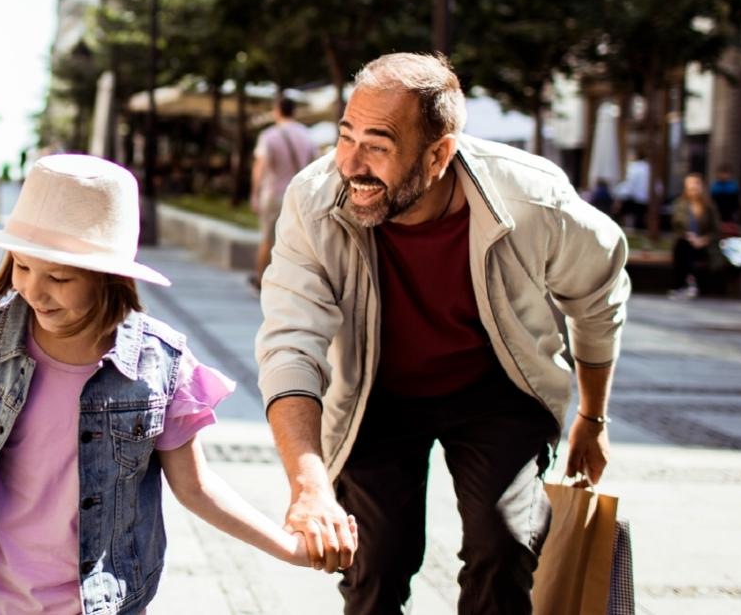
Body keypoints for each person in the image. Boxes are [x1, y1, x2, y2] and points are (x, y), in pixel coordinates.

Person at [255, 53, 630, 613]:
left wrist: (592, 417)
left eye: (377, 145)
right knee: (375, 563)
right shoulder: (315, 201)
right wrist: (308, 483)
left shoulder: (533, 200)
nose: (349, 163)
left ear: (439, 154)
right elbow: (290, 341)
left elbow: (599, 295)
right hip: (375, 393)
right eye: (345, 136)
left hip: (498, 390)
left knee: (503, 547)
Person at [0, 154, 319, 614]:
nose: (33, 290)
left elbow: (197, 488)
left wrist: (287, 547)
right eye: (22, 267)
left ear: (109, 277)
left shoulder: (158, 367)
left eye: (59, 277)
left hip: (99, 603)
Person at [251, 96, 320, 290]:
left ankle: (260, 280)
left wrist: (254, 194)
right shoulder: (307, 135)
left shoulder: (269, 135)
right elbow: (315, 166)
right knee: (296, 242)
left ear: (277, 111)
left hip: (273, 194)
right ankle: (290, 283)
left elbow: (261, 167)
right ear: (294, 111)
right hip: (300, 195)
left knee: (267, 238)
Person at [669, 172, 723, 299]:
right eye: (690, 186)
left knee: (687, 250)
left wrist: (704, 240)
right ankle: (686, 284)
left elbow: (716, 231)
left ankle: (687, 284)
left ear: (701, 187)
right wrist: (690, 237)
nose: (693, 189)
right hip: (686, 241)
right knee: (683, 247)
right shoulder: (680, 204)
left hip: (706, 246)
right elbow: (677, 226)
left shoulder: (709, 206)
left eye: (696, 185)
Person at [613, 156, 651, 229]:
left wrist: (618, 197)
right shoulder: (650, 168)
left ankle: (625, 227)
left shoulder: (634, 167)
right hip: (645, 201)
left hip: (635, 200)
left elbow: (629, 186)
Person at [710, 164, 741, 228]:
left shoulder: (733, 187)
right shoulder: (715, 187)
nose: (723, 176)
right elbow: (712, 201)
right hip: (718, 213)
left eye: (725, 173)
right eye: (721, 173)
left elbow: (737, 201)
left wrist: (737, 212)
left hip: (730, 214)